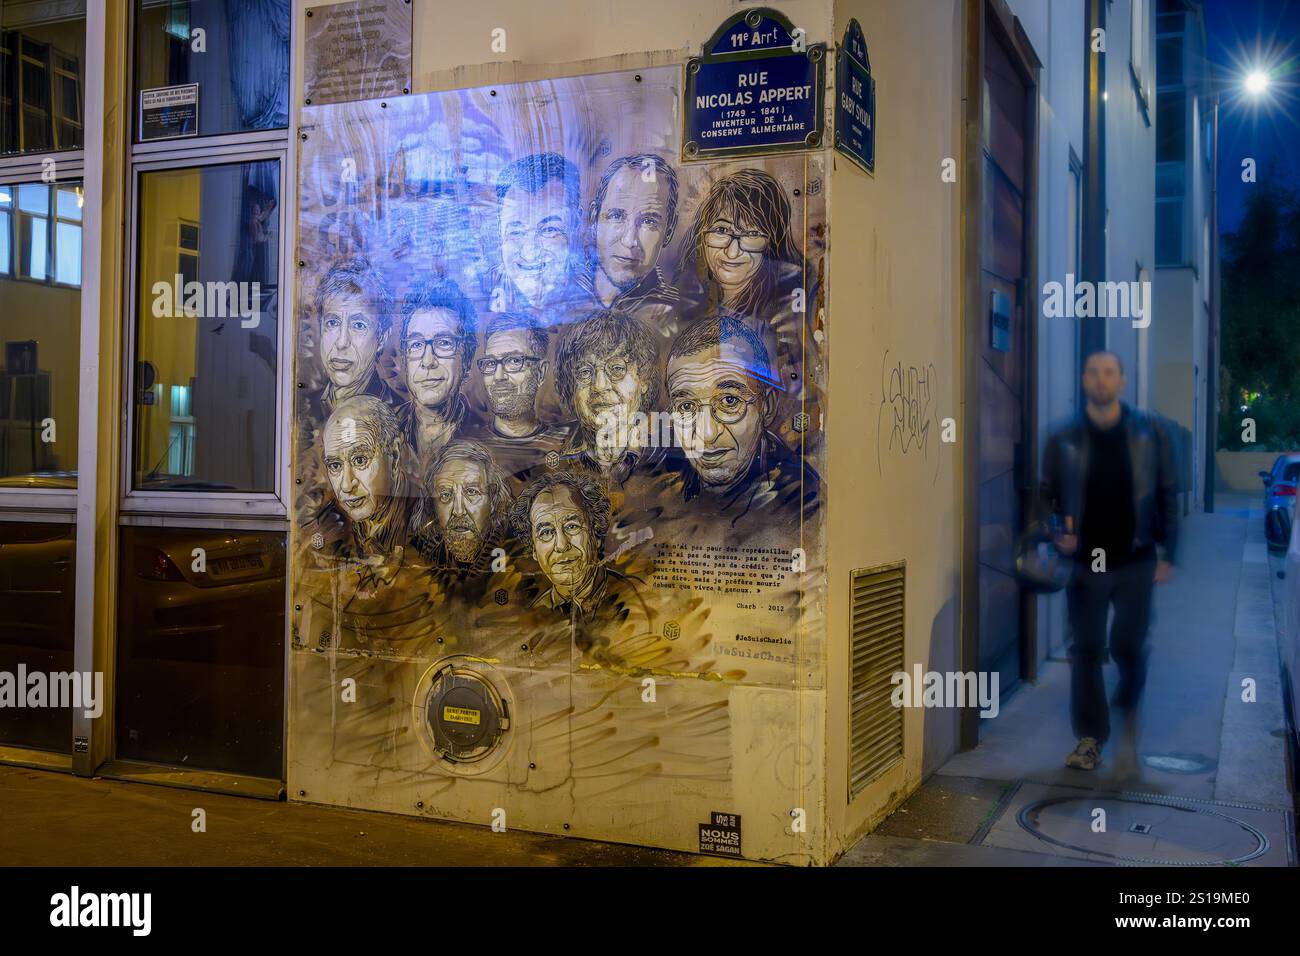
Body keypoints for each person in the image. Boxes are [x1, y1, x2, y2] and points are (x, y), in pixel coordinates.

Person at [1042, 350, 1178, 774]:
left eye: (1109, 373)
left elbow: (1166, 494)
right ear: (1084, 380)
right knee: (1085, 650)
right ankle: (1090, 738)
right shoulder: (1063, 439)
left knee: (1128, 646)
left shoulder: (1148, 432)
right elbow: (1042, 497)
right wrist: (1055, 532)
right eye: (1094, 373)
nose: (1101, 380)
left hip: (1135, 559)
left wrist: (1168, 553)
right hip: (1086, 563)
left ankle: (1128, 699)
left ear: (1121, 381)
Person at [664, 315, 817, 534]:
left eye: (729, 401)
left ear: (767, 406)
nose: (707, 434)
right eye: (687, 407)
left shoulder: (801, 504)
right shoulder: (664, 481)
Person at [508, 470, 652, 662]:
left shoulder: (627, 600)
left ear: (596, 534)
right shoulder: (533, 613)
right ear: (534, 549)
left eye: (572, 527)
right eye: (546, 532)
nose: (561, 545)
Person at [551, 308, 663, 487]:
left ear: (644, 380)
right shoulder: (551, 453)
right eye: (585, 372)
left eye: (617, 369)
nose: (600, 385)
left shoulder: (674, 455)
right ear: (570, 387)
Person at [461, 312, 574, 479]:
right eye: (491, 363)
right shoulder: (466, 451)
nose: (498, 376)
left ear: (541, 373)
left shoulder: (569, 444)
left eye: (514, 361)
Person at [305, 395, 414, 564]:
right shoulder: (325, 526)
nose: (347, 485)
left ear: (394, 456)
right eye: (335, 465)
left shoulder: (426, 523)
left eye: (360, 460)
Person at [578, 153, 682, 324]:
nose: (629, 241)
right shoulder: (559, 298)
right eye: (616, 215)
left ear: (669, 229)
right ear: (594, 217)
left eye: (649, 221)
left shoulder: (679, 313)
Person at [488, 152, 585, 320]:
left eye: (549, 230)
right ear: (499, 230)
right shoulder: (480, 300)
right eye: (516, 232)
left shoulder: (594, 303)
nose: (530, 253)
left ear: (576, 225)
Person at [396, 276, 477, 463]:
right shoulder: (385, 428)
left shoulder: (484, 434)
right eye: (416, 344)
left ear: (467, 357)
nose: (428, 361)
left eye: (444, 343)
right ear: (405, 359)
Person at [307, 256, 400, 416]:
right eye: (332, 323)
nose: (342, 342)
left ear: (382, 338)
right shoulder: (304, 408)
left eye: (358, 325)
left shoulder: (401, 417)